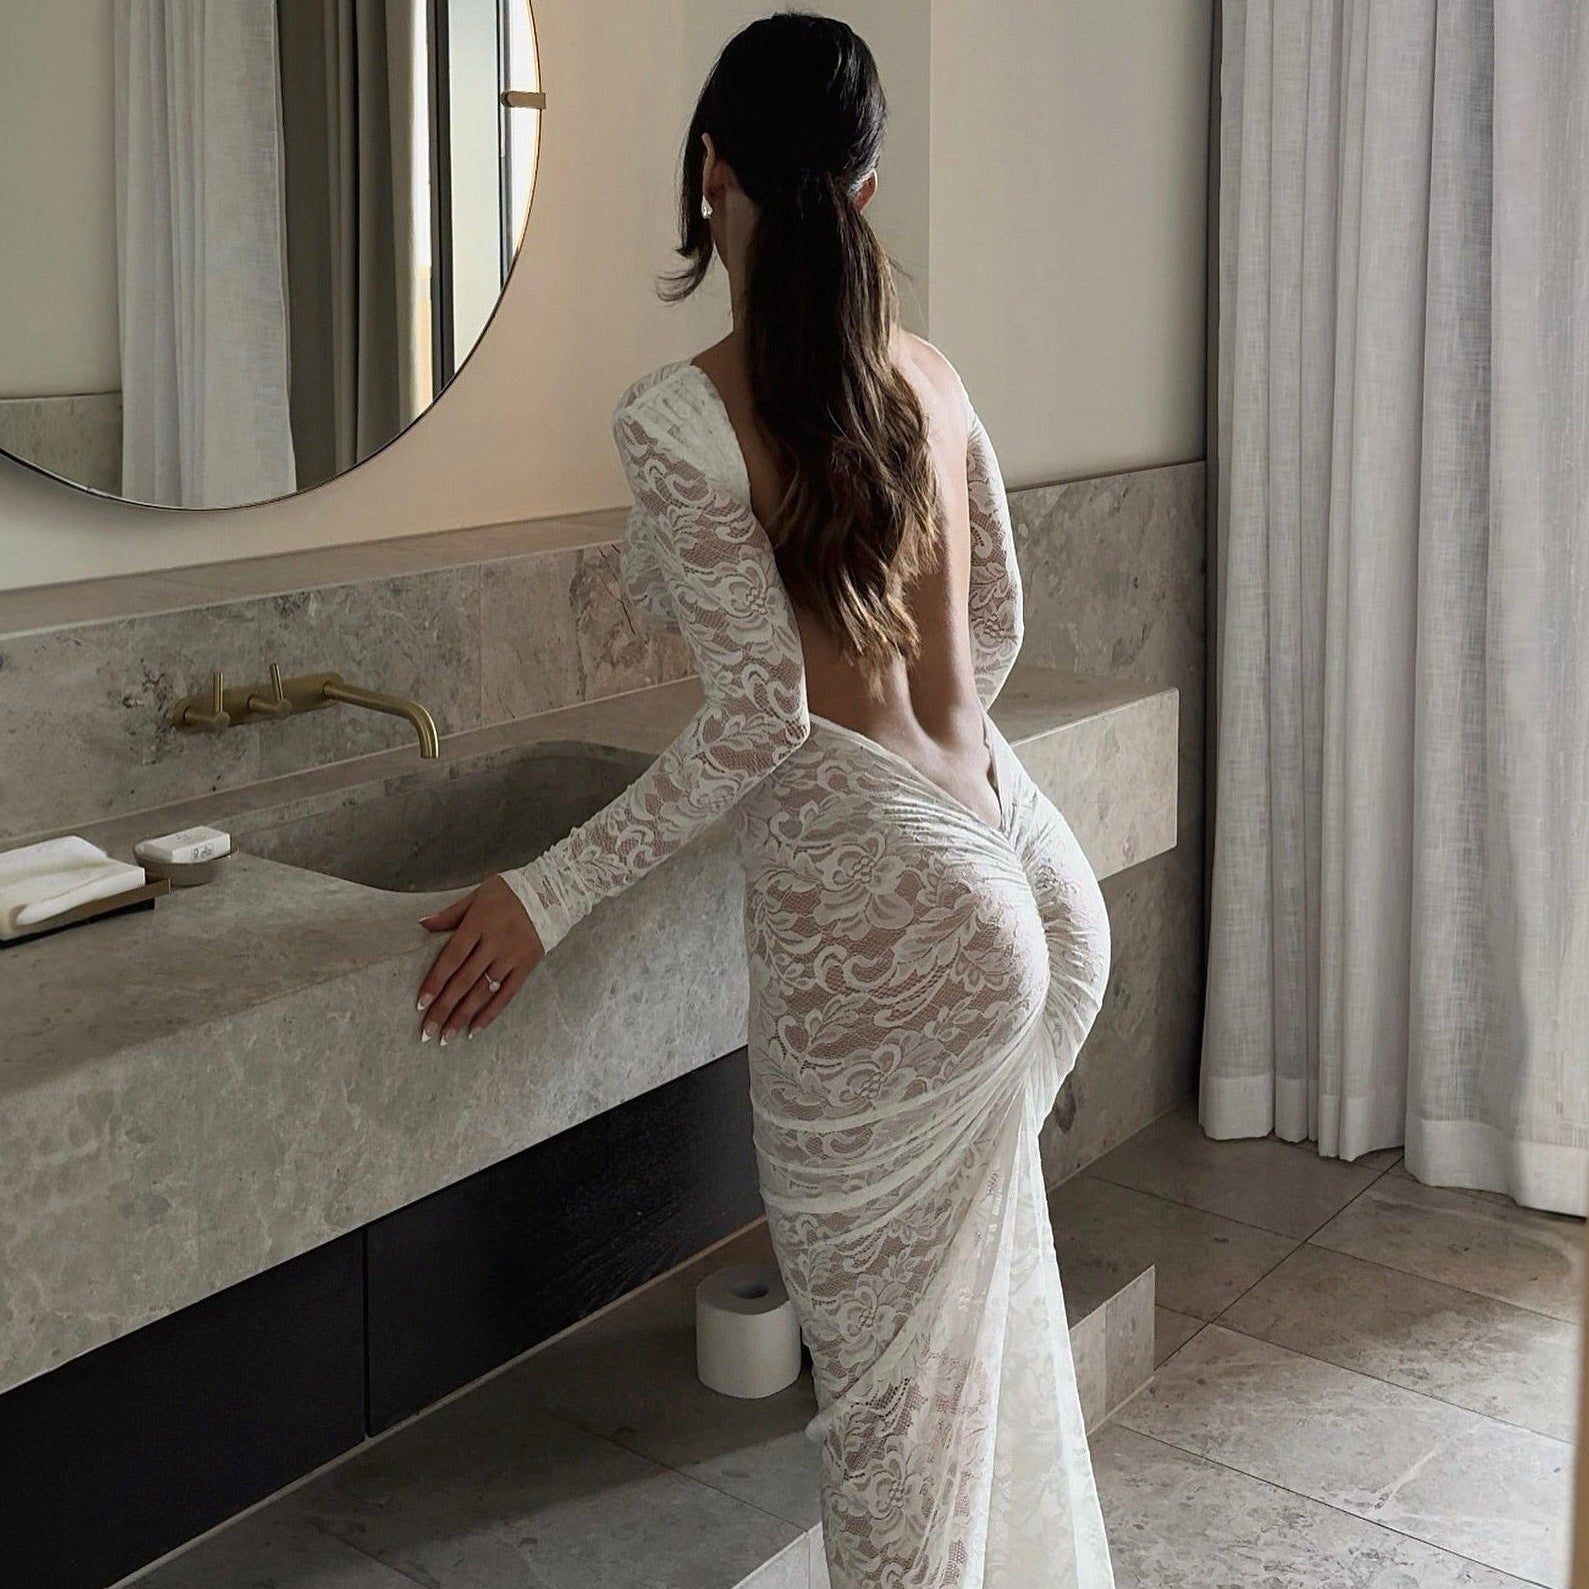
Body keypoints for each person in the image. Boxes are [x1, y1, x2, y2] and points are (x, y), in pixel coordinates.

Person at [413, 13, 1115, 1586]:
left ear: (708, 169)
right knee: (961, 1353)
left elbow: (756, 721)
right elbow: (995, 624)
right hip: (1029, 873)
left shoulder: (682, 415)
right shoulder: (928, 376)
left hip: (899, 920)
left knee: (884, 1420)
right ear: (864, 196)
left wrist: (545, 889)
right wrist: (935, 778)